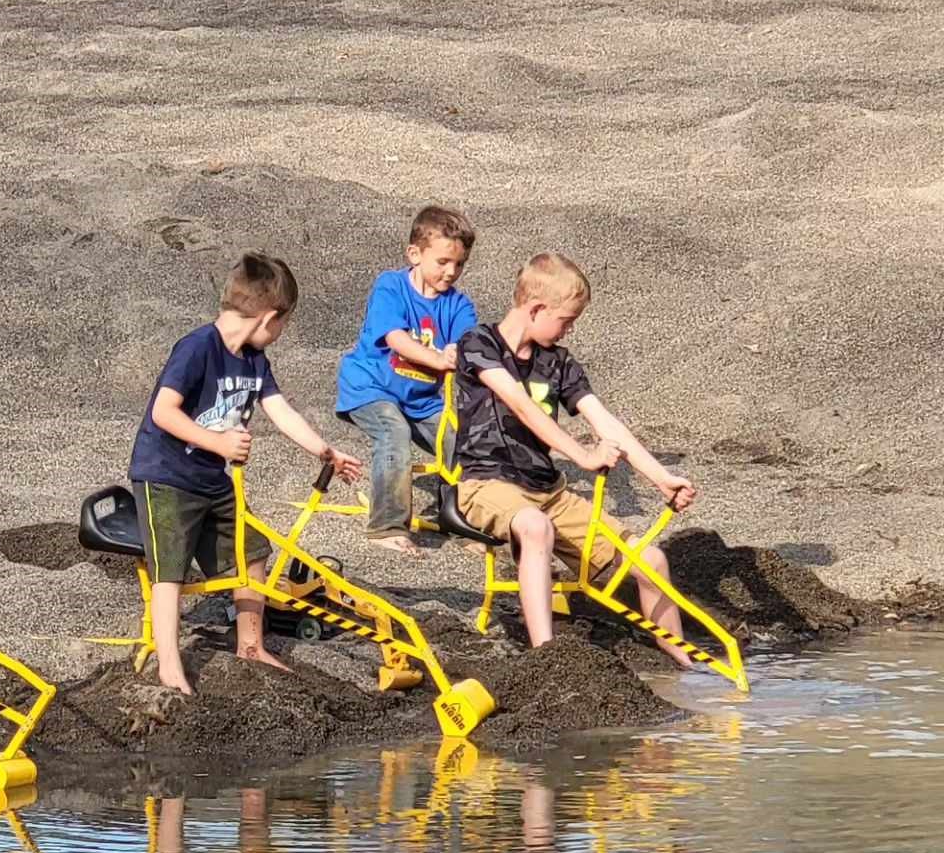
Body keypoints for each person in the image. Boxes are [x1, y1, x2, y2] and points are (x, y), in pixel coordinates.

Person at [128, 253, 362, 695]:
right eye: (283, 326)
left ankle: (250, 645)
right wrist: (217, 443)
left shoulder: (253, 360)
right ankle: (170, 665)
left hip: (215, 481)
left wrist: (324, 450)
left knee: (252, 551)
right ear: (270, 317)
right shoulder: (197, 347)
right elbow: (163, 411)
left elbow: (279, 410)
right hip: (167, 476)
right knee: (170, 570)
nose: (280, 335)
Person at [452, 253, 696, 665]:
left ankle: (684, 663)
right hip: (485, 483)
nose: (570, 329)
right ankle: (547, 656)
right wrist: (582, 455)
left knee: (651, 560)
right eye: (566, 320)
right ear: (535, 308)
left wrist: (660, 477)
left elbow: (606, 423)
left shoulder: (558, 362)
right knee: (534, 526)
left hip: (549, 491)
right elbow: (522, 405)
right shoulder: (479, 344)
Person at [336, 204, 478, 556]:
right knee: (393, 431)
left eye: (459, 264)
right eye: (443, 262)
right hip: (372, 386)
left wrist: (463, 354)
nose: (451, 271)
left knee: (461, 438)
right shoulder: (391, 286)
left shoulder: (458, 305)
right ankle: (387, 525)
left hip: (423, 399)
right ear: (415, 254)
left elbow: (467, 343)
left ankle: (462, 518)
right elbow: (396, 338)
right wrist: (437, 358)